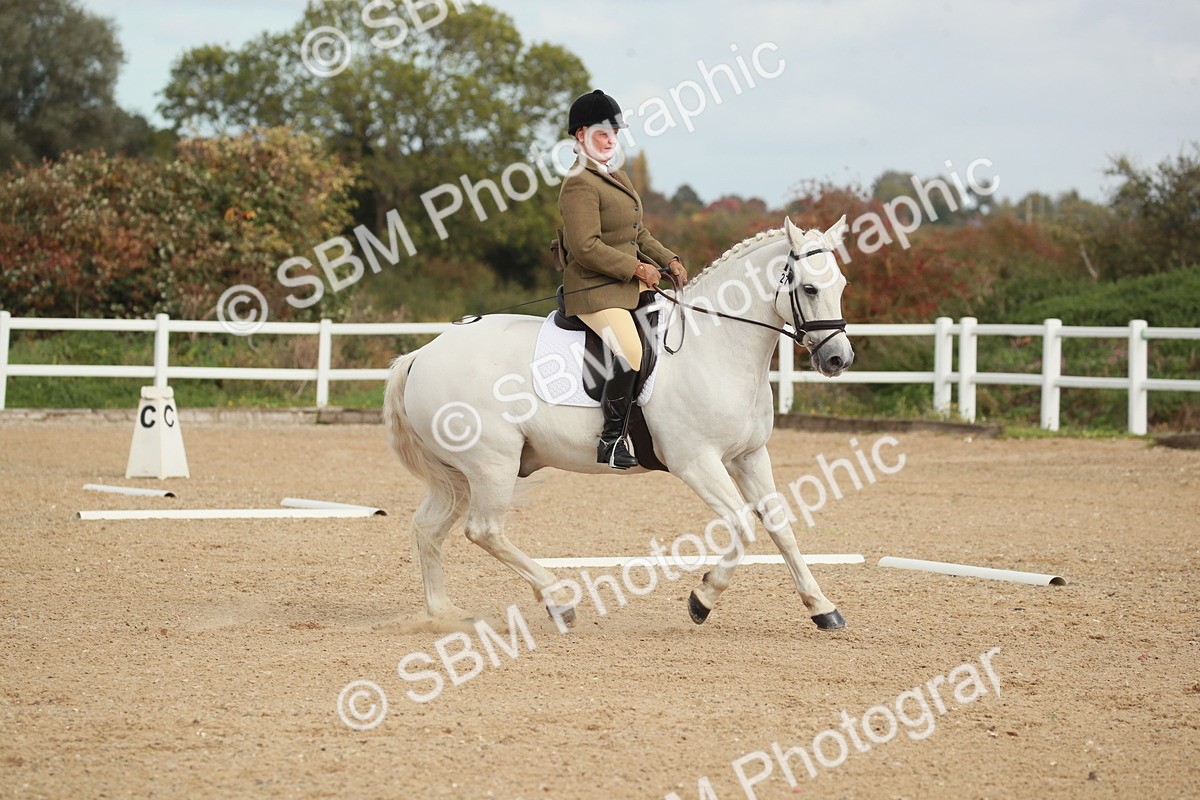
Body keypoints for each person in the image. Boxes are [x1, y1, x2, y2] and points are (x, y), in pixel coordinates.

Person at [558, 89, 688, 469]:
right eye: (603, 134)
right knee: (630, 351)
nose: (611, 140)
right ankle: (611, 440)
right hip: (592, 290)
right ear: (581, 135)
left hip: (624, 287)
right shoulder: (579, 182)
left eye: (615, 133)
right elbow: (585, 246)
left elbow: (638, 235)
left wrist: (669, 259)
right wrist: (636, 269)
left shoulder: (617, 177)